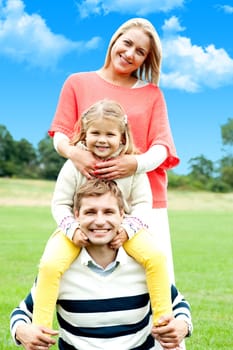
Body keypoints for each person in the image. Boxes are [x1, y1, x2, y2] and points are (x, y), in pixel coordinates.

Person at [48, 17, 179, 284]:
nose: (130, 53)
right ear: (115, 40)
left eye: (140, 52)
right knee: (82, 279)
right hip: (90, 201)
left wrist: (135, 164)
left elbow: (162, 148)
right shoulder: (77, 82)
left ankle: (165, 324)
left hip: (143, 199)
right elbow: (61, 134)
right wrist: (75, 153)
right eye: (127, 43)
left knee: (154, 275)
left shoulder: (153, 94)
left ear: (145, 60)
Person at [33, 99, 172, 331]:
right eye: (95, 133)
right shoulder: (74, 165)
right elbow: (60, 204)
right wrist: (72, 230)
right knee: (49, 264)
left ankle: (164, 323)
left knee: (156, 257)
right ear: (85, 134)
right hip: (78, 227)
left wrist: (127, 231)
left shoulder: (130, 167)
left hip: (124, 227)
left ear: (122, 137)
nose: (102, 140)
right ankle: (40, 329)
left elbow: (143, 204)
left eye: (110, 134)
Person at [10, 179, 192, 350]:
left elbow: (178, 304)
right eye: (90, 212)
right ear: (76, 217)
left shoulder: (144, 264)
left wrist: (183, 325)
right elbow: (22, 312)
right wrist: (21, 331)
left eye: (108, 212)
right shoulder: (59, 268)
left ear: (122, 216)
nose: (99, 221)